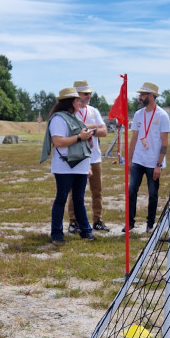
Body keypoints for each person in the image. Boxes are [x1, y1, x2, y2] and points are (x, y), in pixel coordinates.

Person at [43, 87, 95, 243]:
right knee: (61, 199)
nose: (80, 102)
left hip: (80, 165)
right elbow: (58, 142)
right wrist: (80, 137)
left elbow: (84, 142)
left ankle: (86, 231)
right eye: (77, 99)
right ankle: (57, 234)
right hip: (65, 166)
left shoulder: (75, 117)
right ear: (70, 101)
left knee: (79, 199)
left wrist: (87, 139)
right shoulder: (58, 119)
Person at [125, 82, 170, 233]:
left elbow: (164, 142)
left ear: (151, 96)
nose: (139, 97)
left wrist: (158, 165)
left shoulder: (162, 115)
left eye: (142, 95)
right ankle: (130, 222)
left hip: (153, 162)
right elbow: (134, 138)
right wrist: (129, 159)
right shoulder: (138, 114)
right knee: (131, 190)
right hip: (138, 160)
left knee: (153, 193)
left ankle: (150, 224)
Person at [68, 80, 109, 232]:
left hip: (94, 157)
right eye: (86, 94)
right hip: (78, 157)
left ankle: (97, 220)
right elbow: (74, 132)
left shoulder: (93, 111)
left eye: (90, 93)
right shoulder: (71, 112)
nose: (89, 96)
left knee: (97, 191)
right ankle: (73, 222)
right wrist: (93, 127)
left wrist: (87, 130)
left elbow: (104, 131)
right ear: (77, 95)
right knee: (75, 192)